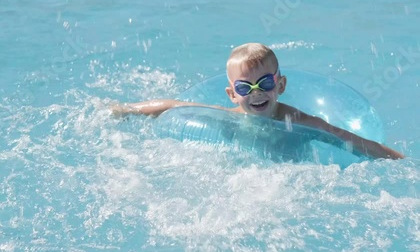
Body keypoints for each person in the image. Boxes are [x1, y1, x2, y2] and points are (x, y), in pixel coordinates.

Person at [111, 43, 405, 160]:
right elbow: (173, 106)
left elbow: (345, 138)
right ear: (232, 94)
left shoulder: (300, 123)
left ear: (281, 85)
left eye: (265, 83)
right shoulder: (226, 117)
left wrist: (403, 163)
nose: (256, 93)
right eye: (245, 86)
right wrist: (127, 110)